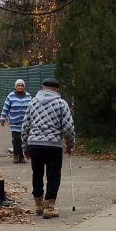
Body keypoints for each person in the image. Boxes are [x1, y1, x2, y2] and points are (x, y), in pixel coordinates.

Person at [20, 78, 75, 218]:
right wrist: (70, 145)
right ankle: (49, 207)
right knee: (53, 175)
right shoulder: (61, 103)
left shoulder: (33, 102)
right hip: (53, 145)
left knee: (37, 173)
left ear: (43, 88)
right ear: (57, 89)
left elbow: (25, 126)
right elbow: (68, 127)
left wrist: (25, 147)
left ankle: (38, 204)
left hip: (34, 144)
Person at [0, 79, 32, 163]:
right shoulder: (11, 96)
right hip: (14, 122)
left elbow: (32, 108)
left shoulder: (28, 96)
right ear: (15, 87)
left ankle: (21, 156)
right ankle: (16, 155)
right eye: (18, 85)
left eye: (22, 85)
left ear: (24, 87)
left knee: (23, 139)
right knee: (16, 139)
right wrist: (2, 118)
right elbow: (5, 108)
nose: (20, 87)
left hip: (25, 123)